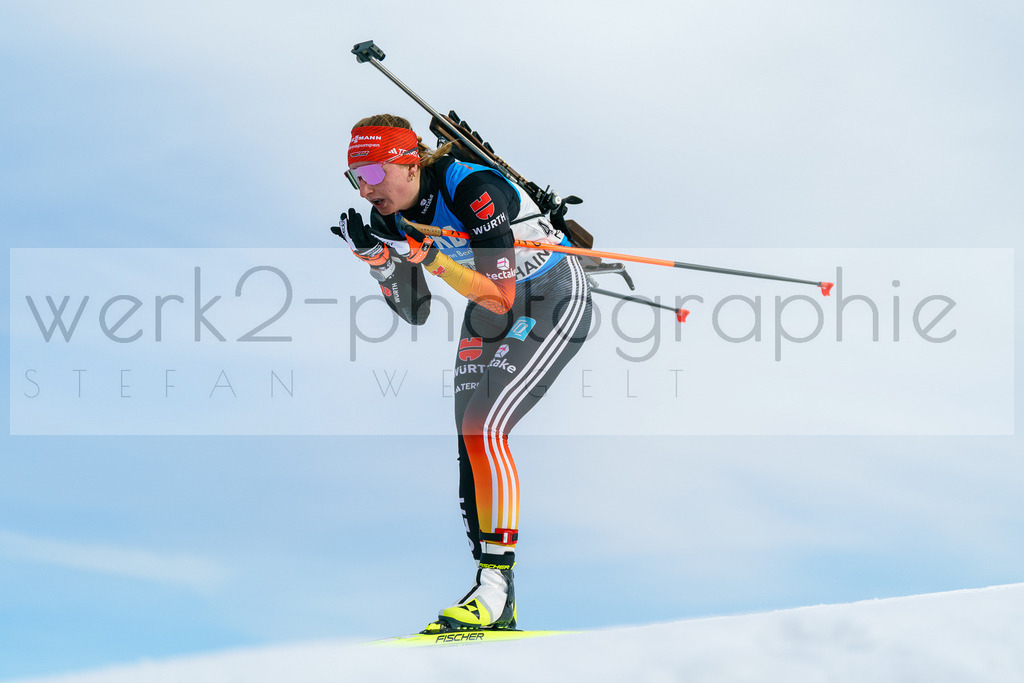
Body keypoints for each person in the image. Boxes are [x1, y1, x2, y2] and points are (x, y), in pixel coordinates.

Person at [337, 114, 592, 632]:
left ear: (409, 164)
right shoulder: (391, 215)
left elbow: (500, 298)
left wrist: (424, 253)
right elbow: (414, 309)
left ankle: (495, 590)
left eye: (372, 170)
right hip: (489, 310)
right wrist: (377, 259)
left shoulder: (474, 190)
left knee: (484, 427)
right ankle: (493, 591)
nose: (365, 188)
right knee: (468, 443)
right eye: (353, 175)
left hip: (546, 296)